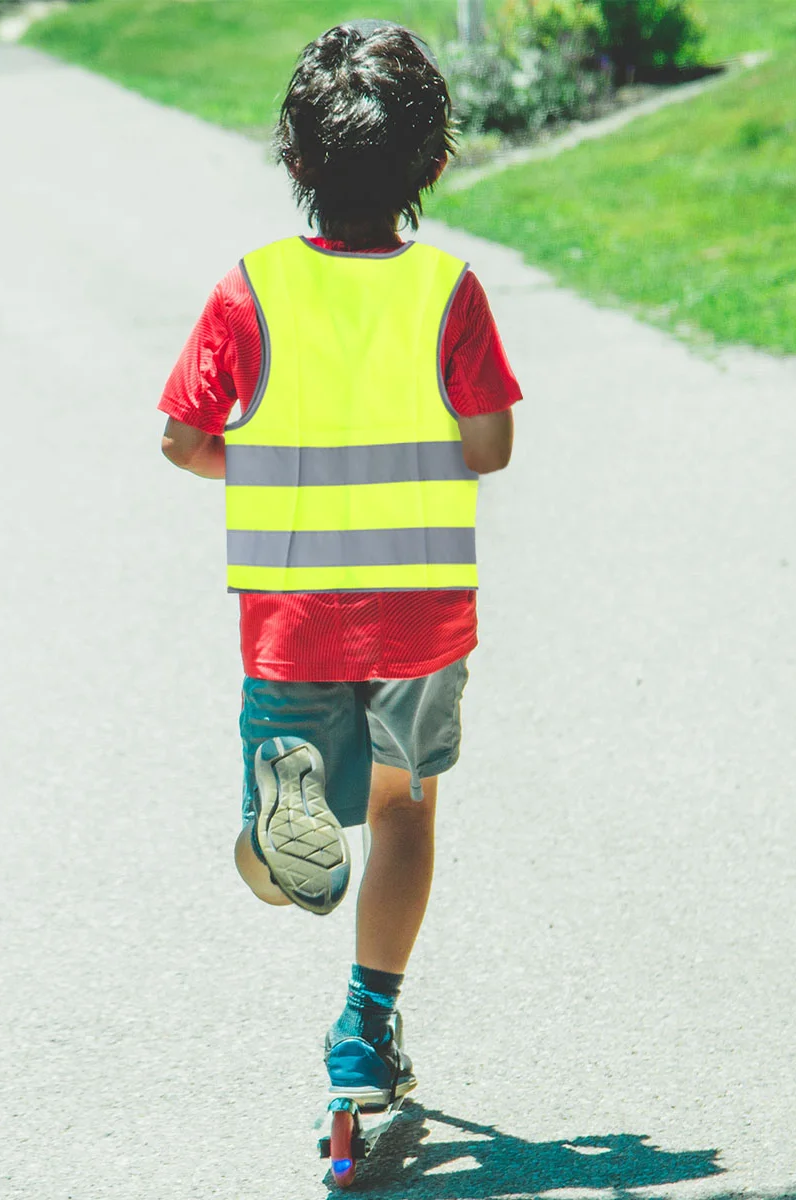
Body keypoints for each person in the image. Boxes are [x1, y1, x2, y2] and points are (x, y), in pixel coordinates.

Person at [158, 19, 520, 1109]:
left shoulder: (251, 290)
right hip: (419, 614)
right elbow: (491, 446)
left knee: (284, 876)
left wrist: (266, 463)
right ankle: (366, 1026)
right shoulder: (448, 290)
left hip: (294, 616)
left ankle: (276, 839)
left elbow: (182, 440)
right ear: (435, 164)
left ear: (297, 161)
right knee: (407, 809)